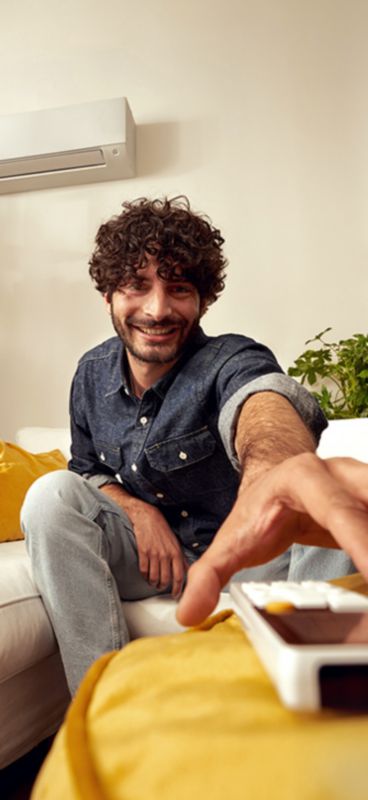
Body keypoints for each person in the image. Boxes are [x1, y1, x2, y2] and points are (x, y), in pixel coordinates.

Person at [21, 196, 360, 695]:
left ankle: (316, 700)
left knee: (326, 489)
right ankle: (105, 703)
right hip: (154, 562)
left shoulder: (230, 357)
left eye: (178, 289)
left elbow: (261, 400)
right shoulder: (91, 374)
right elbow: (85, 469)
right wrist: (137, 510)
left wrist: (270, 468)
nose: (157, 310)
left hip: (249, 558)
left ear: (203, 300)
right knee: (51, 495)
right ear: (109, 296)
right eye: (137, 286)